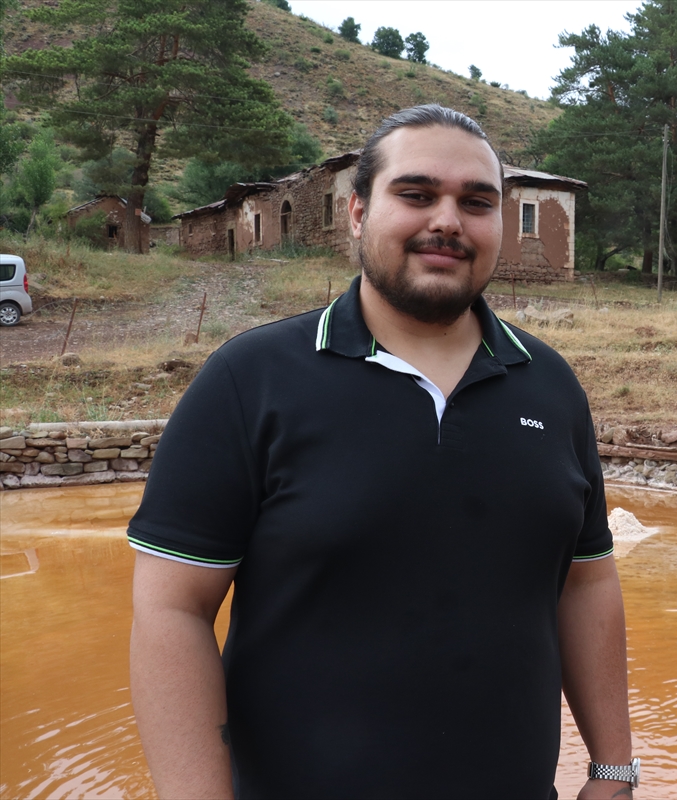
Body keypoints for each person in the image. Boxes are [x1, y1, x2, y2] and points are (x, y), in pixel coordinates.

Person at [128, 105, 638, 800]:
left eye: (477, 202)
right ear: (358, 213)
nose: (449, 221)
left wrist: (613, 768)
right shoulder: (251, 381)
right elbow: (171, 611)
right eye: (418, 194)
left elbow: (586, 582)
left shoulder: (550, 385)